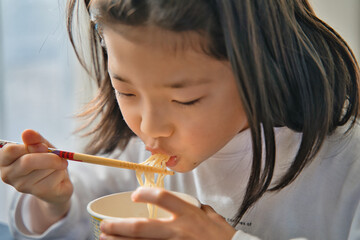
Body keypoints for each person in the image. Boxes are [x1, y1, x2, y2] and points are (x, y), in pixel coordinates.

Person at [0, 0, 359, 239]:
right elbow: (79, 220)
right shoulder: (132, 153)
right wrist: (52, 201)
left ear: (262, 71)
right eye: (126, 92)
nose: (150, 128)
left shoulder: (347, 169)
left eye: (185, 99)